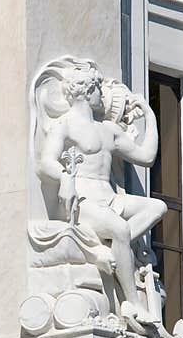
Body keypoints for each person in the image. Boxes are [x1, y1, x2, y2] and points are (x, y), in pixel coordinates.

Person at [34, 61, 167, 322]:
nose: (102, 95)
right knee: (119, 228)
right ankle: (131, 303)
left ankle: (114, 246)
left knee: (157, 207)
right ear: (86, 91)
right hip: (84, 202)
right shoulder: (65, 125)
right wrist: (65, 178)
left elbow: (147, 156)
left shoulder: (108, 131)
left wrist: (150, 117)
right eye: (98, 89)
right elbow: (45, 162)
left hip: (110, 198)